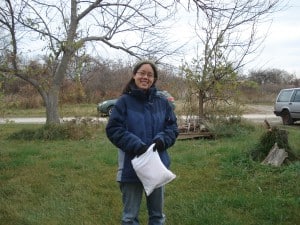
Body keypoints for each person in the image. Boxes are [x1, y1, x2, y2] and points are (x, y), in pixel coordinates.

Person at [106, 60, 178, 225]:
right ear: (134, 75)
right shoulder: (124, 102)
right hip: (131, 168)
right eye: (142, 73)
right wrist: (137, 145)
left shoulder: (163, 102)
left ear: (154, 79)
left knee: (157, 217)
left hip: (156, 166)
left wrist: (161, 141)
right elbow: (114, 129)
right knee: (130, 218)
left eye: (150, 74)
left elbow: (172, 128)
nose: (145, 77)